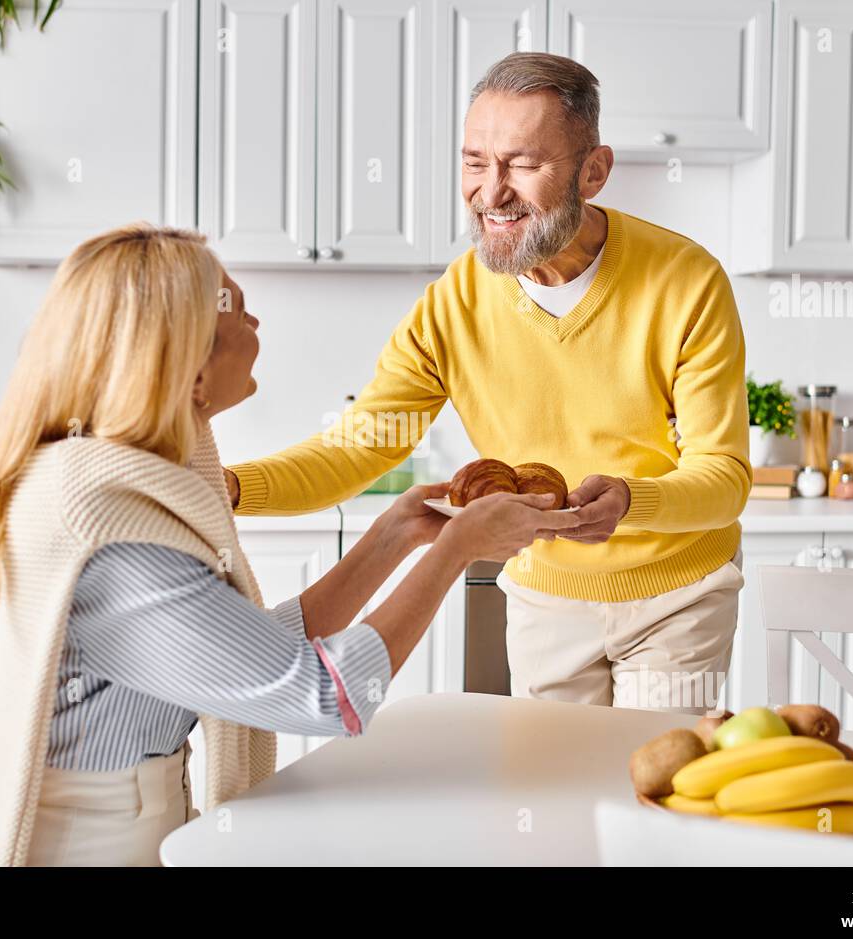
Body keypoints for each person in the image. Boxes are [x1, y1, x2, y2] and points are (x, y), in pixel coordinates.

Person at [0, 224, 579, 866]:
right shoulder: (116, 539)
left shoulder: (116, 479)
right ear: (190, 372)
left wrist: (395, 536)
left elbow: (256, 652)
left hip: (145, 815)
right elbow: (330, 695)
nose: (256, 320)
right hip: (87, 847)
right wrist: (456, 551)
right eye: (237, 308)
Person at [225, 53, 751, 714]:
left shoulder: (685, 281)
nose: (492, 192)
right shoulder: (455, 304)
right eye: (476, 162)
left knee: (651, 781)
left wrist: (629, 499)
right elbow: (359, 447)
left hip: (677, 596)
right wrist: (228, 488)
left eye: (523, 164)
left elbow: (724, 480)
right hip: (545, 595)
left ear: (594, 171)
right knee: (555, 793)